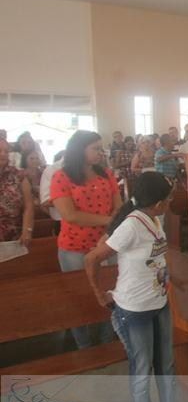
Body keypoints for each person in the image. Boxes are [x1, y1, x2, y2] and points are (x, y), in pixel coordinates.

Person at [84, 172, 183, 402]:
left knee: (166, 364)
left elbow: (156, 256)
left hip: (159, 303)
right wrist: (98, 293)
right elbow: (92, 258)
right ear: (158, 203)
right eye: (168, 199)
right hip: (134, 311)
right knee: (142, 369)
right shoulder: (131, 225)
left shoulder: (154, 218)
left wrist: (174, 279)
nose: (170, 202)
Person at [51, 130, 122, 349]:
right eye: (96, 148)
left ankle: (105, 341)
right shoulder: (61, 177)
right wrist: (108, 220)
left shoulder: (106, 174)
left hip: (106, 244)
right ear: (79, 150)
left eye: (101, 148)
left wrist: (111, 226)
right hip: (74, 247)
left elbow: (118, 205)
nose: (101, 152)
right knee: (79, 297)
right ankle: (83, 345)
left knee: (109, 292)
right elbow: (70, 215)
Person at [0, 139, 34, 244]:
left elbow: (29, 206)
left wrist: (27, 231)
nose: (3, 154)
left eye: (6, 151)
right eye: (0, 150)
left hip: (13, 235)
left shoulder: (19, 175)